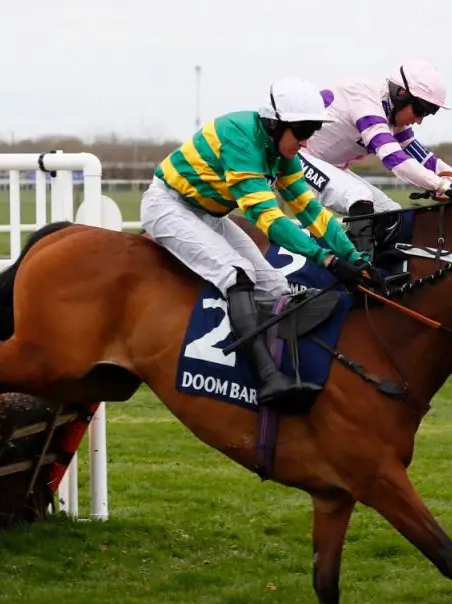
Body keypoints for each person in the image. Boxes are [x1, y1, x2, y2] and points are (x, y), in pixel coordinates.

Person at [140, 76, 379, 411]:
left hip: (211, 214)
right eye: (302, 131)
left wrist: (353, 256)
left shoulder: (283, 152)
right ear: (274, 124)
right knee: (237, 273)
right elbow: (268, 220)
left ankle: (288, 372)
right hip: (168, 206)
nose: (306, 142)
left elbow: (309, 209)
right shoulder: (239, 137)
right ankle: (267, 378)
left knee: (277, 289)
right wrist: (326, 260)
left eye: (312, 131)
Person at [298, 61, 452, 253]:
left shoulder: (392, 113)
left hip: (328, 165)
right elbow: (394, 159)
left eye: (427, 114)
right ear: (401, 94)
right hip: (297, 158)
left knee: (392, 214)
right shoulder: (365, 100)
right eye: (420, 110)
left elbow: (424, 159)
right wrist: (443, 186)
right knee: (358, 196)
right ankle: (359, 266)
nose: (419, 121)